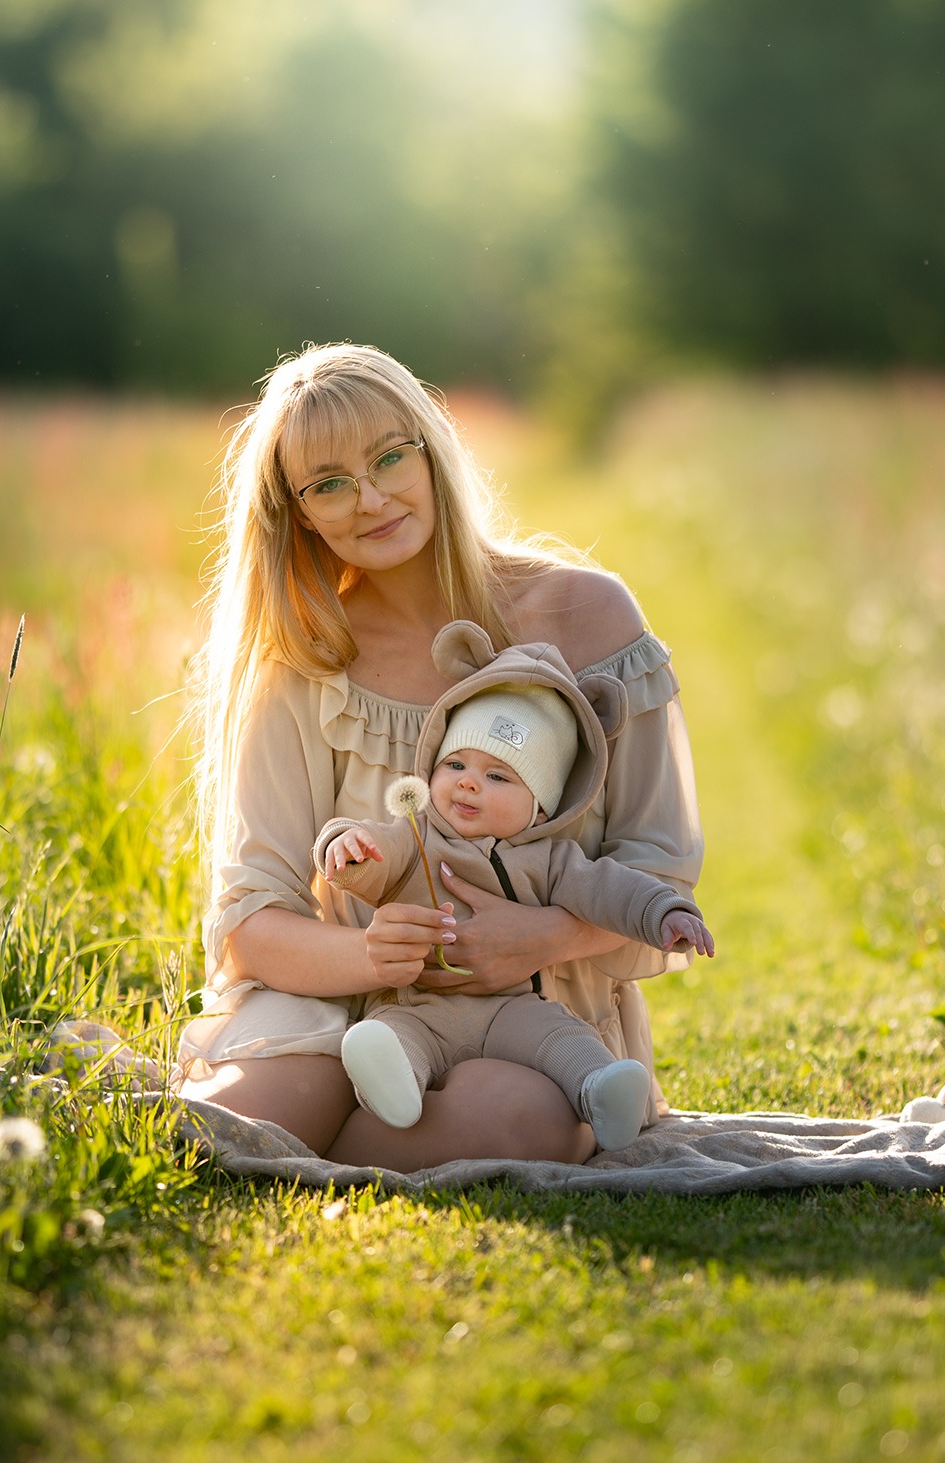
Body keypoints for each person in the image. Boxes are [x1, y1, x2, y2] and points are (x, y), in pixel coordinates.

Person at [177, 343, 702, 1168]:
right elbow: (252, 921)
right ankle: (300, 1112)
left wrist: (541, 935)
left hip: (530, 1020)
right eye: (328, 483)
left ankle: (316, 1143)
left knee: (513, 1124)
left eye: (390, 457)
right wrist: (368, 954)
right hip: (334, 1006)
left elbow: (660, 877)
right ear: (298, 513)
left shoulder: (587, 616)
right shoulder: (305, 655)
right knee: (246, 1122)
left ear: (432, 450)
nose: (370, 499)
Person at [315, 629, 716, 1150]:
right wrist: (349, 849)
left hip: (514, 1009)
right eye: (455, 764)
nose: (467, 783)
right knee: (395, 1035)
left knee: (564, 1037)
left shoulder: (550, 860)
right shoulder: (417, 837)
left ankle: (602, 1091)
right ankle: (395, 1085)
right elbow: (375, 863)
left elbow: (612, 890)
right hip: (423, 1005)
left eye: (498, 776)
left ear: (542, 808)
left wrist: (665, 913)